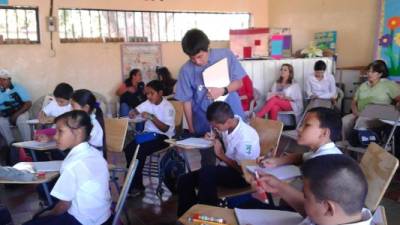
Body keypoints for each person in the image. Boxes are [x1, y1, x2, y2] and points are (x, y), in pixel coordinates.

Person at [23, 111, 111, 225]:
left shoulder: (73, 164)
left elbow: (64, 205)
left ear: (78, 133)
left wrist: (47, 215)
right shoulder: (94, 153)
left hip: (83, 220)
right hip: (102, 215)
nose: (55, 136)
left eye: (60, 131)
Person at [175, 28, 247, 166]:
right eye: (192, 58)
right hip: (205, 122)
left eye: (200, 56)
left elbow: (239, 82)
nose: (196, 61)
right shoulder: (186, 70)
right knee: (208, 161)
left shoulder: (225, 56)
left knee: (237, 158)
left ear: (207, 47)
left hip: (231, 116)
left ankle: (238, 185)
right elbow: (187, 102)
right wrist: (192, 129)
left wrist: (223, 90)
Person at [177, 101, 260, 216]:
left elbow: (244, 171)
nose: (214, 128)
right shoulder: (230, 122)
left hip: (244, 176)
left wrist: (221, 155)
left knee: (207, 172)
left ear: (228, 121)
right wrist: (214, 136)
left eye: (216, 126)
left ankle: (208, 215)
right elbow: (221, 134)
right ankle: (186, 217)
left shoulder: (245, 137)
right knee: (184, 180)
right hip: (226, 169)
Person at [253, 155, 372, 225]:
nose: (303, 198)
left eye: (306, 196)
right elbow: (315, 212)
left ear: (329, 208)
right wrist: (279, 186)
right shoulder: (348, 215)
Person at [123, 80, 175, 196]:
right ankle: (131, 183)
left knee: (139, 152)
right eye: (147, 94)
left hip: (163, 138)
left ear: (160, 93)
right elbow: (136, 111)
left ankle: (136, 186)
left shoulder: (168, 107)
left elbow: (165, 129)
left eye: (151, 93)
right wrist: (133, 113)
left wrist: (152, 117)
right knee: (129, 149)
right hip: (148, 135)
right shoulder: (148, 103)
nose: (148, 96)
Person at [257, 107, 342, 168]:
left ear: (324, 133)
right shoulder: (320, 151)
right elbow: (301, 157)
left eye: (307, 125)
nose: (299, 129)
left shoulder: (321, 163)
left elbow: (304, 194)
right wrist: (277, 161)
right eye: (302, 124)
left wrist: (277, 184)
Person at [342, 60, 400, 140]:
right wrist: (355, 112)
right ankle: (347, 147)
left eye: (373, 72)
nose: (369, 74)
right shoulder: (363, 85)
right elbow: (354, 101)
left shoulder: (388, 85)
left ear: (380, 74)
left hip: (378, 116)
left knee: (362, 121)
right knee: (345, 121)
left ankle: (359, 146)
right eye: (368, 71)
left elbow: (398, 99)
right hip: (359, 113)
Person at [0, 69, 32, 145]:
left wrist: (15, 115)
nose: (1, 82)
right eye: (0, 80)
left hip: (20, 111)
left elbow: (28, 103)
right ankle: (11, 144)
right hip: (5, 113)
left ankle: (27, 144)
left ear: (9, 79)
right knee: (1, 121)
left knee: (21, 119)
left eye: (4, 80)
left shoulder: (18, 87)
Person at [71, 89, 105, 157]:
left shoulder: (91, 125)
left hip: (91, 162)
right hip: (85, 158)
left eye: (73, 106)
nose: (70, 109)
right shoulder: (85, 121)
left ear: (85, 108)